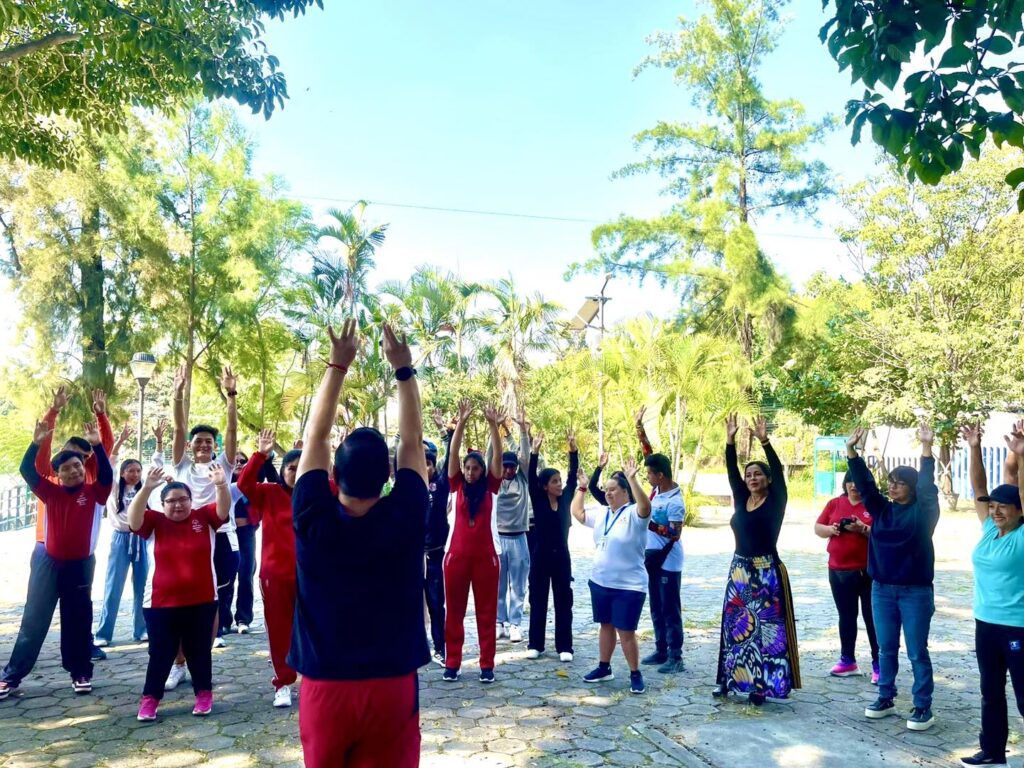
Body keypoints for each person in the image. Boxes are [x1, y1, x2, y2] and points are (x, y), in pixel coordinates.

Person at [289, 320, 429, 768]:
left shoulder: (312, 518)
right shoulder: (406, 515)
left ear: (332, 477)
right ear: (389, 478)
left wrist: (338, 365)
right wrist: (403, 370)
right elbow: (412, 441)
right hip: (392, 683)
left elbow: (316, 438)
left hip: (325, 685)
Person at [0, 418, 112, 700]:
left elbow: (107, 475)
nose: (73, 471)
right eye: (65, 468)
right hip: (49, 564)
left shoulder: (95, 492)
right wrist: (36, 441)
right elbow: (27, 470)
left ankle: (80, 672)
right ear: (57, 475)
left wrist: (97, 445)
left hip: (80, 566)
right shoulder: (50, 492)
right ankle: (12, 676)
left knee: (78, 619)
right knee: (34, 619)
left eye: (77, 466)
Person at [847, 422, 939, 731]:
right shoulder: (882, 510)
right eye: (891, 481)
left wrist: (926, 449)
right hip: (882, 590)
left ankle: (923, 706)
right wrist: (852, 453)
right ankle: (885, 696)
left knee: (916, 651)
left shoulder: (924, 513)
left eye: (899, 482)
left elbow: (928, 488)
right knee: (885, 648)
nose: (892, 486)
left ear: (911, 487)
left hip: (915, 592)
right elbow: (866, 485)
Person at [129, 464, 231, 721]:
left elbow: (223, 509)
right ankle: (150, 699)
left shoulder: (204, 517)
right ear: (162, 504)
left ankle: (204, 693)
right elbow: (133, 519)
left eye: (183, 500)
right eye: (171, 501)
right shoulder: (154, 521)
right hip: (160, 604)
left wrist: (220, 485)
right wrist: (147, 488)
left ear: (191, 500)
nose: (178, 505)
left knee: (199, 652)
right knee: (160, 654)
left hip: (202, 601)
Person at [160, 364, 239, 688]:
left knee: (212, 604)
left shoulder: (223, 466)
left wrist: (231, 396)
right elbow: (179, 429)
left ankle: (198, 659)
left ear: (215, 446)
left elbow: (232, 432)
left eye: (209, 441)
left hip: (219, 538)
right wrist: (178, 393)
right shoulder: (181, 465)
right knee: (180, 605)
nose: (204, 445)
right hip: (185, 541)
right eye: (199, 442)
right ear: (191, 447)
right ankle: (178, 662)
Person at [714, 414, 801, 706]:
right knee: (735, 627)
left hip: (766, 574)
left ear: (768, 480)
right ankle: (731, 680)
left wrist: (765, 440)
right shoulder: (742, 499)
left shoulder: (777, 500)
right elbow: (730, 472)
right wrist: (729, 440)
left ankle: (762, 686)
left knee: (766, 631)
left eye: (758, 474)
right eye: (749, 474)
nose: (752, 478)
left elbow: (777, 469)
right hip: (739, 571)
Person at [958, 421, 1024, 766]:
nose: (996, 510)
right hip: (985, 624)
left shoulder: (1022, 537)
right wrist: (973, 447)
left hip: (1018, 627)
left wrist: (1021, 456)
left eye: (1004, 506)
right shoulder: (988, 529)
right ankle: (993, 751)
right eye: (993, 506)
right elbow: (978, 486)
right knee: (990, 691)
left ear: (1019, 510)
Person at [570, 458, 651, 694]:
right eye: (606, 490)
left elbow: (646, 507)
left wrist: (634, 478)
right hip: (601, 582)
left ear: (626, 492)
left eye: (613, 489)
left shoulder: (635, 515)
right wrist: (582, 487)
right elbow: (578, 512)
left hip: (629, 585)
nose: (608, 493)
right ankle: (604, 667)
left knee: (626, 631)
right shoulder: (603, 513)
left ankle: (635, 673)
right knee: (605, 625)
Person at [236, 429, 301, 709]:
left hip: (313, 576)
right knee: (279, 630)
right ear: (282, 470)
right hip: (275, 575)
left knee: (316, 628)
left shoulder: (324, 491)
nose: (296, 474)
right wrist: (260, 454)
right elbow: (243, 483)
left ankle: (315, 679)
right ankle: (284, 683)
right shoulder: (269, 493)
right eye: (291, 468)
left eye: (302, 468)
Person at [442, 399, 505, 683]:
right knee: (453, 612)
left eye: (475, 469)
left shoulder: (492, 487)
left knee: (486, 612)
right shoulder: (455, 484)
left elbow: (498, 459)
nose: (470, 473)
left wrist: (493, 426)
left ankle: (486, 665)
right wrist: (462, 422)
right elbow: (452, 453)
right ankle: (452, 663)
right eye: (467, 468)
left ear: (482, 471)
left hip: (486, 560)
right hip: (455, 558)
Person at [95, 422, 161, 647]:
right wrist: (120, 442)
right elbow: (109, 465)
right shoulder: (114, 489)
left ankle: (141, 629)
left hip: (142, 538)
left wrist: (160, 442)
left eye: (137, 471)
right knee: (113, 585)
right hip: (120, 539)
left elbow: (157, 465)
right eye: (130, 470)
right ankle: (104, 633)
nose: (134, 474)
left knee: (143, 585)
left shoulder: (145, 490)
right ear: (122, 473)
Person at [814, 470, 879, 682]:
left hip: (868, 572)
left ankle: (879, 663)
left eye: (858, 481)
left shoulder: (874, 504)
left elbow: (883, 533)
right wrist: (831, 529)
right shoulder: (834, 503)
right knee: (847, 616)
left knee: (872, 619)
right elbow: (818, 528)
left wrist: (863, 529)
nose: (853, 485)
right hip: (839, 571)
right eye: (850, 481)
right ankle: (848, 659)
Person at [525, 430, 578, 662]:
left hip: (561, 559)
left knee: (563, 602)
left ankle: (564, 646)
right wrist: (534, 451)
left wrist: (573, 451)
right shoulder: (537, 499)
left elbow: (574, 476)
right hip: (540, 558)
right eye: (554, 481)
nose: (560, 484)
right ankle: (535, 643)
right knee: (538, 600)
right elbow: (529, 476)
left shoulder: (566, 498)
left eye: (560, 480)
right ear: (545, 486)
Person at [640, 451, 686, 675]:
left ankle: (675, 655)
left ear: (660, 475)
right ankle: (661, 649)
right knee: (656, 607)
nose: (647, 477)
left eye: (649, 473)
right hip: (653, 559)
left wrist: (647, 523)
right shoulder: (656, 492)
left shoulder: (675, 501)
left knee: (670, 609)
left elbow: (674, 533)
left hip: (669, 560)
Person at [493, 413, 532, 644]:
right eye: (505, 466)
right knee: (497, 585)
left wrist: (523, 432)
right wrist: (494, 428)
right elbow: (491, 455)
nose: (508, 470)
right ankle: (500, 622)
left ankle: (516, 623)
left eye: (512, 466)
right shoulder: (495, 482)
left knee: (518, 585)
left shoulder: (523, 480)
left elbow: (526, 458)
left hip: (519, 538)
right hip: (498, 538)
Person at [425, 411, 454, 666]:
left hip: (436, 555)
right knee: (410, 606)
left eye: (428, 463)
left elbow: (450, 462)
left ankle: (440, 648)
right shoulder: (407, 485)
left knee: (437, 606)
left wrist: (448, 434)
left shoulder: (441, 485)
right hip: (413, 558)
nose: (424, 467)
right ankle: (412, 647)